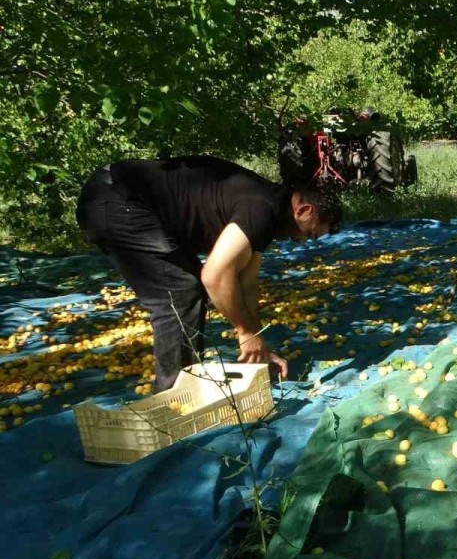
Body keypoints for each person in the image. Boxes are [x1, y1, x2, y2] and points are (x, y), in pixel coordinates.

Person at [75, 155, 343, 391]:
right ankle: (174, 400)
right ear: (304, 209)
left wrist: (257, 342)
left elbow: (245, 283)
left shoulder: (271, 213)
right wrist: (246, 332)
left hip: (122, 200)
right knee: (180, 291)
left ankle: (182, 386)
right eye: (308, 233)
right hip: (116, 199)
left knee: (187, 289)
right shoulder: (262, 208)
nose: (303, 241)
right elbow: (214, 276)